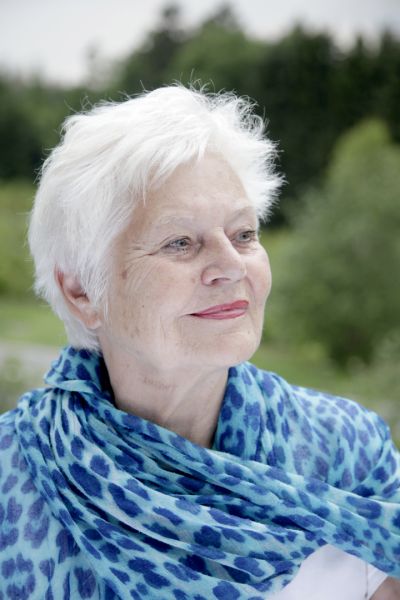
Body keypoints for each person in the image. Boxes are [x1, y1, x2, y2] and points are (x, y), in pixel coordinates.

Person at [0, 86, 399, 600]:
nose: (231, 267)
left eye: (244, 234)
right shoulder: (13, 469)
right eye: (180, 243)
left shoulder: (349, 454)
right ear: (82, 290)